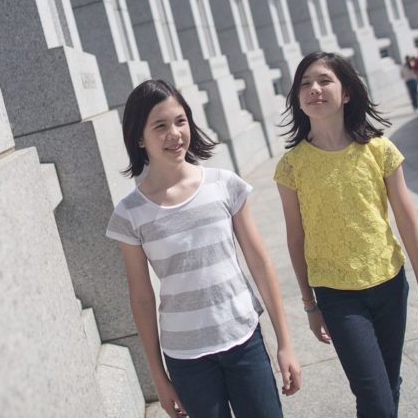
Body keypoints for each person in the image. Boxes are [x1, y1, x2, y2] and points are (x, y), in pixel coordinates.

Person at [107, 79, 301, 418]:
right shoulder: (129, 214)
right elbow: (141, 297)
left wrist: (285, 344)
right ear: (140, 137)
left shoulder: (224, 185)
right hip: (186, 359)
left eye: (181, 121)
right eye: (161, 126)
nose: (175, 133)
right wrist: (159, 377)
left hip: (244, 341)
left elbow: (260, 262)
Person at [274, 52, 418, 418]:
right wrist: (309, 304)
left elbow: (409, 223)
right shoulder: (291, 166)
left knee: (388, 384)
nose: (313, 89)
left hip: (389, 285)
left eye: (323, 81)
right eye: (304, 84)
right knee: (374, 393)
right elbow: (295, 240)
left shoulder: (379, 149)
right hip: (337, 297)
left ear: (346, 93)